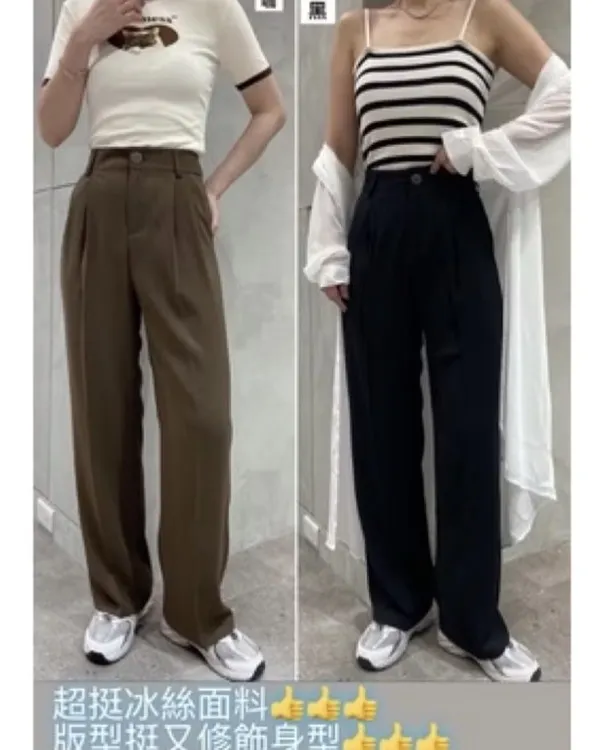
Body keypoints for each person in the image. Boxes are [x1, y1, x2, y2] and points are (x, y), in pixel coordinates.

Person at [306, 0, 569, 682]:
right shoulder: (356, 28)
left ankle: (473, 622)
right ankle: (399, 606)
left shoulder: (484, 14)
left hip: (457, 225)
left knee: (469, 429)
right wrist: (329, 248)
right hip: (380, 227)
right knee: (382, 424)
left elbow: (569, 96)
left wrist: (477, 148)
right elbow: (339, 148)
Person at [38, 0, 286, 682]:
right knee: (102, 408)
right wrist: (83, 38)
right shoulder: (80, 7)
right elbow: (52, 129)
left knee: (203, 418)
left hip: (179, 195)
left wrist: (215, 186)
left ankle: (198, 612)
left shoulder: (214, 7)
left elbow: (270, 109)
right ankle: (117, 599)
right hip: (100, 196)